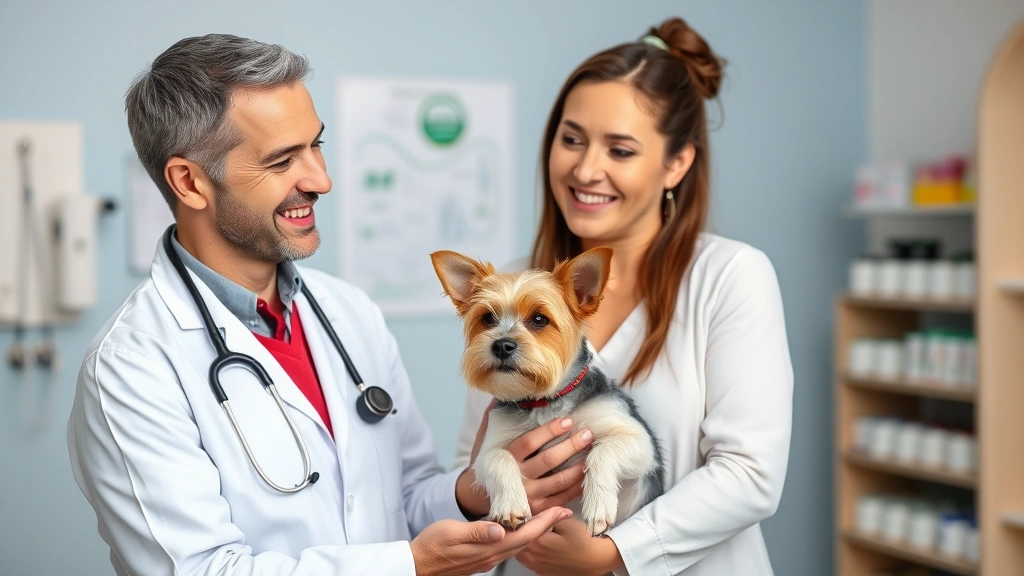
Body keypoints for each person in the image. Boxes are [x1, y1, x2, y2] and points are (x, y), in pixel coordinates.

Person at [66, 34, 594, 576]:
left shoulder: (349, 313)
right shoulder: (131, 366)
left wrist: (472, 493)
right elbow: (202, 570)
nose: (320, 179)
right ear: (190, 182)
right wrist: (410, 565)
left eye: (316, 145)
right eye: (281, 161)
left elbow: (405, 498)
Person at [454, 17, 794, 576]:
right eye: (572, 139)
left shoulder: (730, 277)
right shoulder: (509, 288)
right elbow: (472, 468)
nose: (586, 168)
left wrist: (616, 552)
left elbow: (750, 474)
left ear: (676, 163)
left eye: (621, 149)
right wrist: (482, 493)